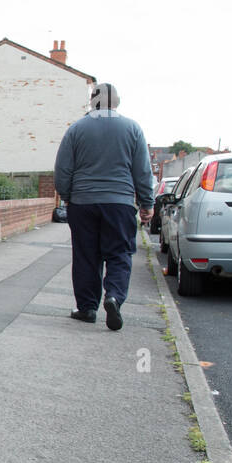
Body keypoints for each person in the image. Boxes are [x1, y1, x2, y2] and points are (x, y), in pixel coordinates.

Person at [53, 82, 154, 331]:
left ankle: (87, 308)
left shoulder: (77, 128)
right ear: (117, 102)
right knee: (119, 254)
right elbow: (142, 170)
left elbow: (63, 168)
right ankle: (114, 297)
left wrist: (67, 196)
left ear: (92, 101)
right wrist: (146, 203)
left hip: (83, 203)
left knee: (86, 256)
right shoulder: (132, 128)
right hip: (119, 203)